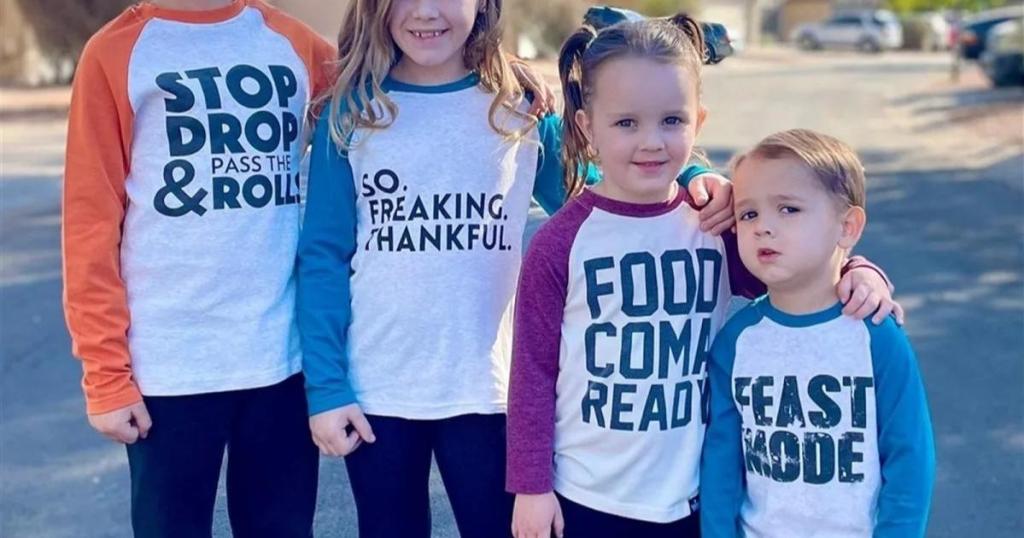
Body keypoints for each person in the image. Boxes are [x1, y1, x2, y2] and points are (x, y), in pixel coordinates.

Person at [295, 1, 735, 537]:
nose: (426, 11)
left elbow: (610, 185)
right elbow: (323, 257)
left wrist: (690, 175)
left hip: (493, 392)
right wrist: (327, 386)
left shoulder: (520, 108)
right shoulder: (352, 113)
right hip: (377, 391)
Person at [505, 17, 902, 538]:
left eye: (672, 120)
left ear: (699, 121)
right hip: (585, 496)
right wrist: (531, 487)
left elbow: (800, 271)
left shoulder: (714, 223)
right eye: (626, 123)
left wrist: (858, 269)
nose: (651, 141)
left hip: (694, 500)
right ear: (586, 127)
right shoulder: (561, 242)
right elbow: (532, 373)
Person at [62, 1, 336, 536]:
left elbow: (391, 82)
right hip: (168, 368)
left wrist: (490, 69)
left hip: (280, 360)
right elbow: (89, 224)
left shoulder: (292, 41)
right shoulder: (115, 52)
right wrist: (106, 376)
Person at [700, 129, 935, 537]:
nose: (763, 227)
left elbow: (910, 458)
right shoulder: (735, 341)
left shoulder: (876, 335)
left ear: (847, 227)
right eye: (748, 214)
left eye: (788, 209)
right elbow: (721, 465)